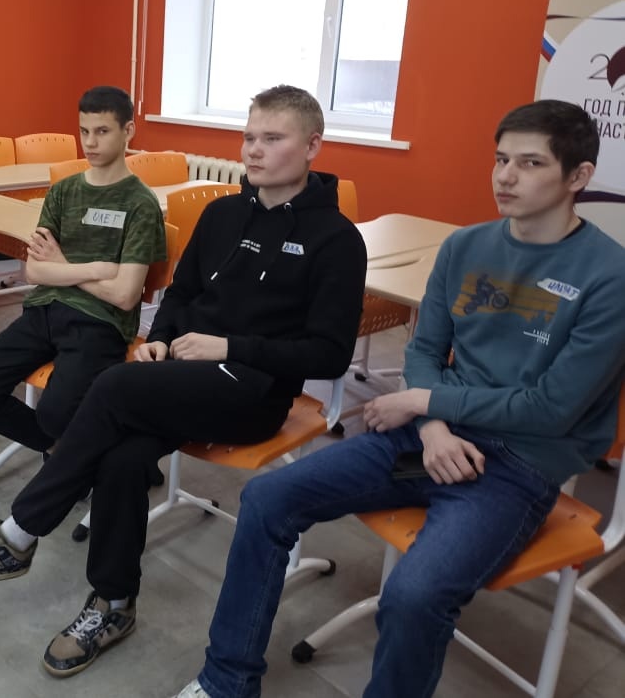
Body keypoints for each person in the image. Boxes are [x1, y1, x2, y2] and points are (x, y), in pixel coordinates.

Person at [169, 99, 625, 698]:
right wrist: (430, 423)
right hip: (425, 441)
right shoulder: (465, 247)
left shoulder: (609, 275)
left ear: (578, 176)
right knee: (266, 498)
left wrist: (421, 404)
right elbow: (424, 350)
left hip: (515, 466)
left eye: (531, 163)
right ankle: (226, 681)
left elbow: (551, 408)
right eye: (501, 159)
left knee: (414, 595)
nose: (506, 177)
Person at [0, 84, 368, 678]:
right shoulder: (223, 214)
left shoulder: (337, 240)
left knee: (113, 387)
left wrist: (229, 347)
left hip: (253, 390)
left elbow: (330, 354)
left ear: (312, 146)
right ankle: (114, 604)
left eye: (272, 139)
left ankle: (17, 534)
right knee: (120, 459)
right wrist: (162, 335)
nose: (253, 150)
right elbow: (181, 293)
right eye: (249, 137)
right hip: (183, 369)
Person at [0, 85, 166, 455]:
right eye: (84, 131)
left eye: (102, 131)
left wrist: (63, 266)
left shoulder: (140, 204)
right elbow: (35, 273)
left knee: (55, 414)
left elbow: (124, 295)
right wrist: (95, 269)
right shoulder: (63, 191)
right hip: (44, 311)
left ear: (128, 131)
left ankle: (81, 452)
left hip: (100, 322)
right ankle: (62, 452)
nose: (91, 142)